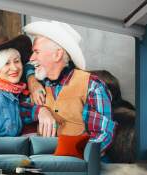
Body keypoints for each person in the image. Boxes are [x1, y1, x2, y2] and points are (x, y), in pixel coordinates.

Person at [21, 21, 116, 155]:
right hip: (42, 161)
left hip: (76, 162)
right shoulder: (39, 84)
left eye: (37, 52)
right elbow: (17, 112)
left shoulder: (92, 86)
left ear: (57, 55)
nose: (32, 58)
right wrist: (40, 111)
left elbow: (102, 135)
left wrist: (71, 155)